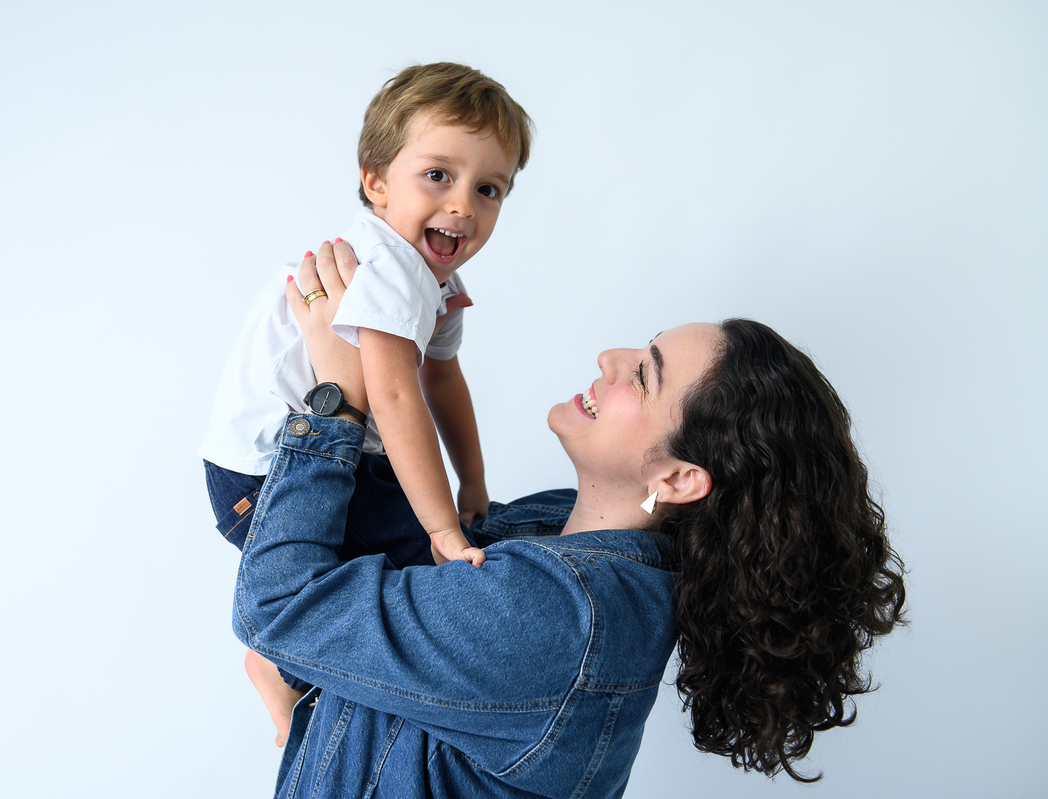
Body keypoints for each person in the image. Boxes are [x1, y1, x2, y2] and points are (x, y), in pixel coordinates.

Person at [231, 242, 907, 796]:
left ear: (676, 478)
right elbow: (375, 594)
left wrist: (337, 400)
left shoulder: (560, 613)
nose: (610, 359)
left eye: (643, 375)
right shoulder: (565, 532)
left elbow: (277, 602)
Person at [200, 63, 533, 742]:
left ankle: (296, 666)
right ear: (376, 181)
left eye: (488, 188)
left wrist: (473, 482)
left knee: (414, 567)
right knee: (421, 559)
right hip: (265, 471)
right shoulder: (387, 265)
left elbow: (443, 380)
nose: (463, 204)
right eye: (438, 175)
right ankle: (283, 661)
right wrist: (444, 527)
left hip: (340, 460)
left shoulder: (436, 280)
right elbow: (390, 390)